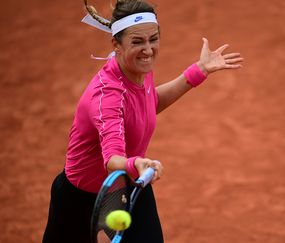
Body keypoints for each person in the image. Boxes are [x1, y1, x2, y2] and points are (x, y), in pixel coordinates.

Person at [42, 0, 243, 242]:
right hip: (83, 199)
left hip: (131, 183)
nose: (148, 50)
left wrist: (198, 71)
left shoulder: (137, 70)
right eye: (137, 42)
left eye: (153, 39)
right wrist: (137, 163)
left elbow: (148, 104)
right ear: (116, 44)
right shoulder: (107, 97)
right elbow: (112, 159)